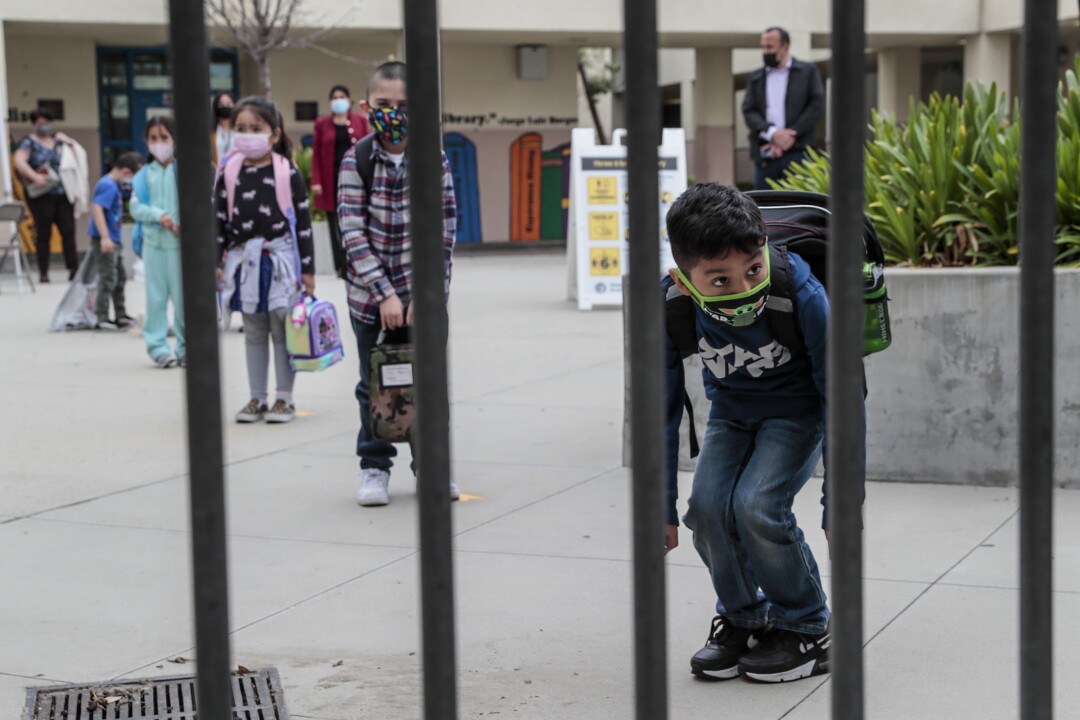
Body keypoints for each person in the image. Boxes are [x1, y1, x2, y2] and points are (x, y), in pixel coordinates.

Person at [663, 184, 835, 683]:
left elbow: (842, 393)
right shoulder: (671, 304)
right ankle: (744, 618)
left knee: (757, 506)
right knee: (708, 509)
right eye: (719, 280)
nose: (743, 289)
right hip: (731, 415)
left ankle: (806, 624)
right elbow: (662, 407)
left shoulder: (800, 292)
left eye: (753, 269)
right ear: (683, 278)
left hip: (799, 411)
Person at [337, 61, 458, 506]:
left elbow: (443, 232)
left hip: (422, 298)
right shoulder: (357, 159)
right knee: (374, 385)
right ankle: (374, 466)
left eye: (404, 105)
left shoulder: (434, 158)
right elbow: (351, 232)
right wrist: (384, 293)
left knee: (429, 385)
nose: (394, 113)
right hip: (370, 301)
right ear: (368, 108)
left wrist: (422, 297)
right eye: (384, 105)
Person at [214, 96, 315, 424]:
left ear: (274, 134)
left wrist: (308, 270)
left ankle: (284, 398)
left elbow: (303, 222)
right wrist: (217, 261)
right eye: (240, 128)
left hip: (280, 261)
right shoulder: (228, 171)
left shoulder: (288, 172)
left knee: (283, 329)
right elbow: (218, 220)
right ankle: (257, 397)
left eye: (256, 128)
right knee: (254, 330)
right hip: (245, 264)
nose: (247, 134)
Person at [130, 116, 185, 368]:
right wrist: (159, 216)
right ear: (146, 141)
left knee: (184, 300)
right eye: (153, 138)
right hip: (153, 246)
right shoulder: (142, 175)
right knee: (155, 300)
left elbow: (199, 201)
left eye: (164, 137)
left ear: (174, 139)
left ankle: (186, 348)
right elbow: (135, 207)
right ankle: (158, 348)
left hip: (180, 247)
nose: (159, 143)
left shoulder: (184, 171)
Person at [741, 27, 825, 190]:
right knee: (764, 207)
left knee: (798, 204)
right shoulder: (756, 77)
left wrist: (791, 134)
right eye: (763, 47)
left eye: (770, 47)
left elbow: (816, 105)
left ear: (785, 46)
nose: (765, 52)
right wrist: (773, 134)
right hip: (766, 153)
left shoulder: (807, 72)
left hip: (799, 152)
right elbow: (748, 110)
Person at [13, 108, 86, 282]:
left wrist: (68, 142)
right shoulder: (28, 142)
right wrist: (35, 176)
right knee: (43, 233)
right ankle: (43, 271)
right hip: (41, 195)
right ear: (33, 124)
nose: (44, 126)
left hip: (63, 194)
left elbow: (78, 159)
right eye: (40, 123)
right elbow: (19, 161)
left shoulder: (59, 142)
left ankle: (73, 269)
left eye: (47, 122)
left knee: (68, 232)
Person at [311, 84, 371, 278]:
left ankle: (357, 261)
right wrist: (316, 180)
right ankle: (341, 266)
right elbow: (317, 154)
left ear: (350, 100)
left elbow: (368, 146)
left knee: (355, 218)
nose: (338, 100)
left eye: (342, 97)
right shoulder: (322, 124)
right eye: (334, 97)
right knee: (334, 222)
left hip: (355, 177)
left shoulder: (360, 121)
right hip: (331, 178)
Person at [88, 152, 143, 331]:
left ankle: (121, 314)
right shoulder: (108, 185)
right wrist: (105, 237)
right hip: (106, 239)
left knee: (119, 278)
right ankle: (101, 316)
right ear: (127, 172)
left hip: (114, 239)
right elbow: (97, 208)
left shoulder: (114, 185)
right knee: (108, 278)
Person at [210, 91, 236, 169]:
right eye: (221, 104)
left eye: (229, 104)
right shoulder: (211, 132)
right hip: (217, 174)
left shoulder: (240, 130)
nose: (225, 106)